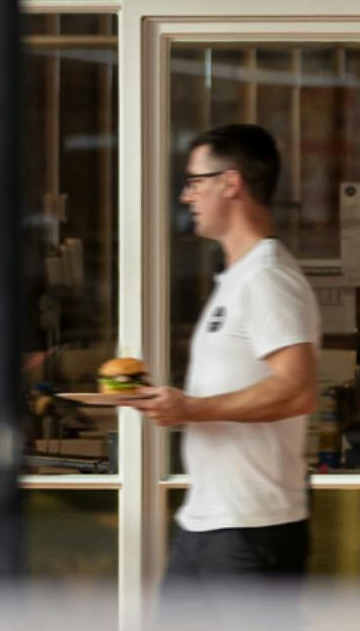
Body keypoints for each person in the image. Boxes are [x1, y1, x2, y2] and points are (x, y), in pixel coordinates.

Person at [126, 123, 320, 590]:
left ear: (230, 184)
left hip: (251, 529)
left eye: (195, 182)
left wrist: (191, 408)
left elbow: (296, 390)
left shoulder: (267, 278)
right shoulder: (236, 279)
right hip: (206, 524)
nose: (185, 196)